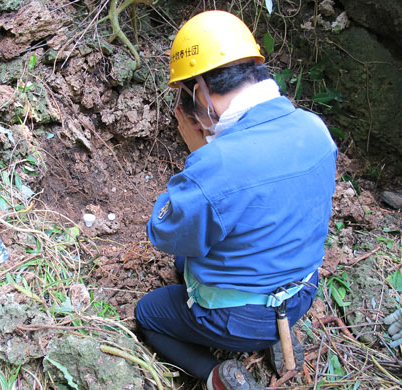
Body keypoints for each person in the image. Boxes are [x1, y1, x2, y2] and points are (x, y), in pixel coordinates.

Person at [135, 10, 337, 390]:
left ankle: (215, 378)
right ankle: (280, 335)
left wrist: (199, 152)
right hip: (300, 295)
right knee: (199, 254)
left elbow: (163, 232)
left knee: (148, 313)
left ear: (199, 89)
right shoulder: (315, 127)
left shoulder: (218, 163)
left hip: (239, 320)